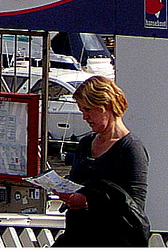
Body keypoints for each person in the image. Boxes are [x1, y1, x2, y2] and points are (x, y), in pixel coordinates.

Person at [55, 75, 150, 247]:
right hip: (77, 235)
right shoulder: (85, 144)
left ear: (106, 106)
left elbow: (135, 206)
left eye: (88, 110)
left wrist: (87, 201)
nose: (85, 117)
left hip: (111, 239)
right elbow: (78, 179)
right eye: (82, 111)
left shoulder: (131, 148)